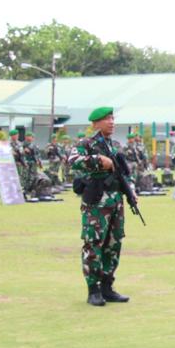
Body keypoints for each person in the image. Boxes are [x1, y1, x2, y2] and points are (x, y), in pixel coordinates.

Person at [68, 107, 130, 307]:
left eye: (112, 118)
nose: (111, 122)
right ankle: (93, 290)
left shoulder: (115, 145)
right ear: (95, 123)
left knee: (113, 244)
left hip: (115, 201)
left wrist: (131, 190)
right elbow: (72, 161)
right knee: (94, 244)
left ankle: (107, 287)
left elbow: (124, 172)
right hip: (96, 203)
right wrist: (98, 160)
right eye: (106, 119)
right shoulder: (86, 144)